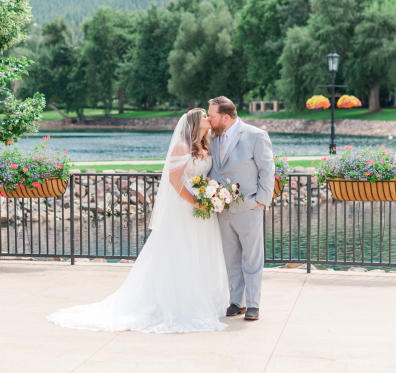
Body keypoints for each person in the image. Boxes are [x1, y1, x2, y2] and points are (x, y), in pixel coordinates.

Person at [47, 108, 229, 333]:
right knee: (181, 251)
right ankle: (178, 302)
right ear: (194, 121)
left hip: (201, 206)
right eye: (204, 115)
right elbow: (173, 180)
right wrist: (195, 201)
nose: (208, 118)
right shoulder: (183, 146)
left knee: (199, 250)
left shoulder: (206, 145)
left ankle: (202, 298)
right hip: (184, 206)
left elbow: (204, 175)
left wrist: (211, 193)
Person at [207, 96, 275, 322]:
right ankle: (237, 302)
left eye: (212, 115)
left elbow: (267, 169)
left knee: (252, 259)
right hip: (222, 209)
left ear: (225, 117)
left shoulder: (256, 136)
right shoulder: (213, 137)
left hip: (249, 207)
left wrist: (261, 202)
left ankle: (254, 304)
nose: (209, 119)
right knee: (231, 258)